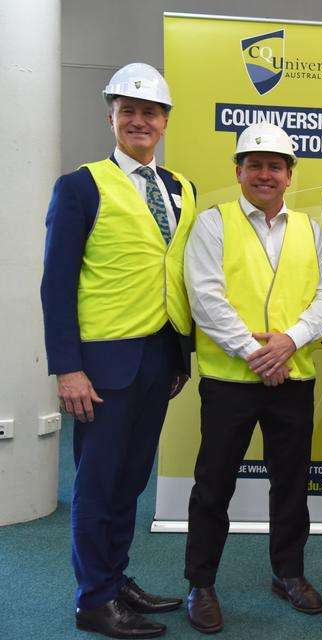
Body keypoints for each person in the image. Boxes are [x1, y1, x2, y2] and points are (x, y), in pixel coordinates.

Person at [41, 62, 197, 639]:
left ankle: (115, 577)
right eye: (128, 111)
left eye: (150, 113)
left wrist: (180, 355)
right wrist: (67, 368)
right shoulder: (80, 186)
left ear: (164, 122)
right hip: (100, 364)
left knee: (132, 479)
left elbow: (176, 272)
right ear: (111, 117)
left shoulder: (180, 187)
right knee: (97, 482)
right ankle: (94, 599)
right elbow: (56, 283)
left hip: (158, 357)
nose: (139, 121)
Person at [182, 122, 322, 633]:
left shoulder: (310, 230)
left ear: (290, 175)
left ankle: (288, 573)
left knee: (292, 484)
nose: (264, 174)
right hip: (230, 380)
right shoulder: (213, 223)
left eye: (275, 165)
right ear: (239, 171)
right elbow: (206, 298)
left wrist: (288, 342)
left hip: (293, 377)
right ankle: (200, 584)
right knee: (213, 485)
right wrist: (257, 353)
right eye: (255, 165)